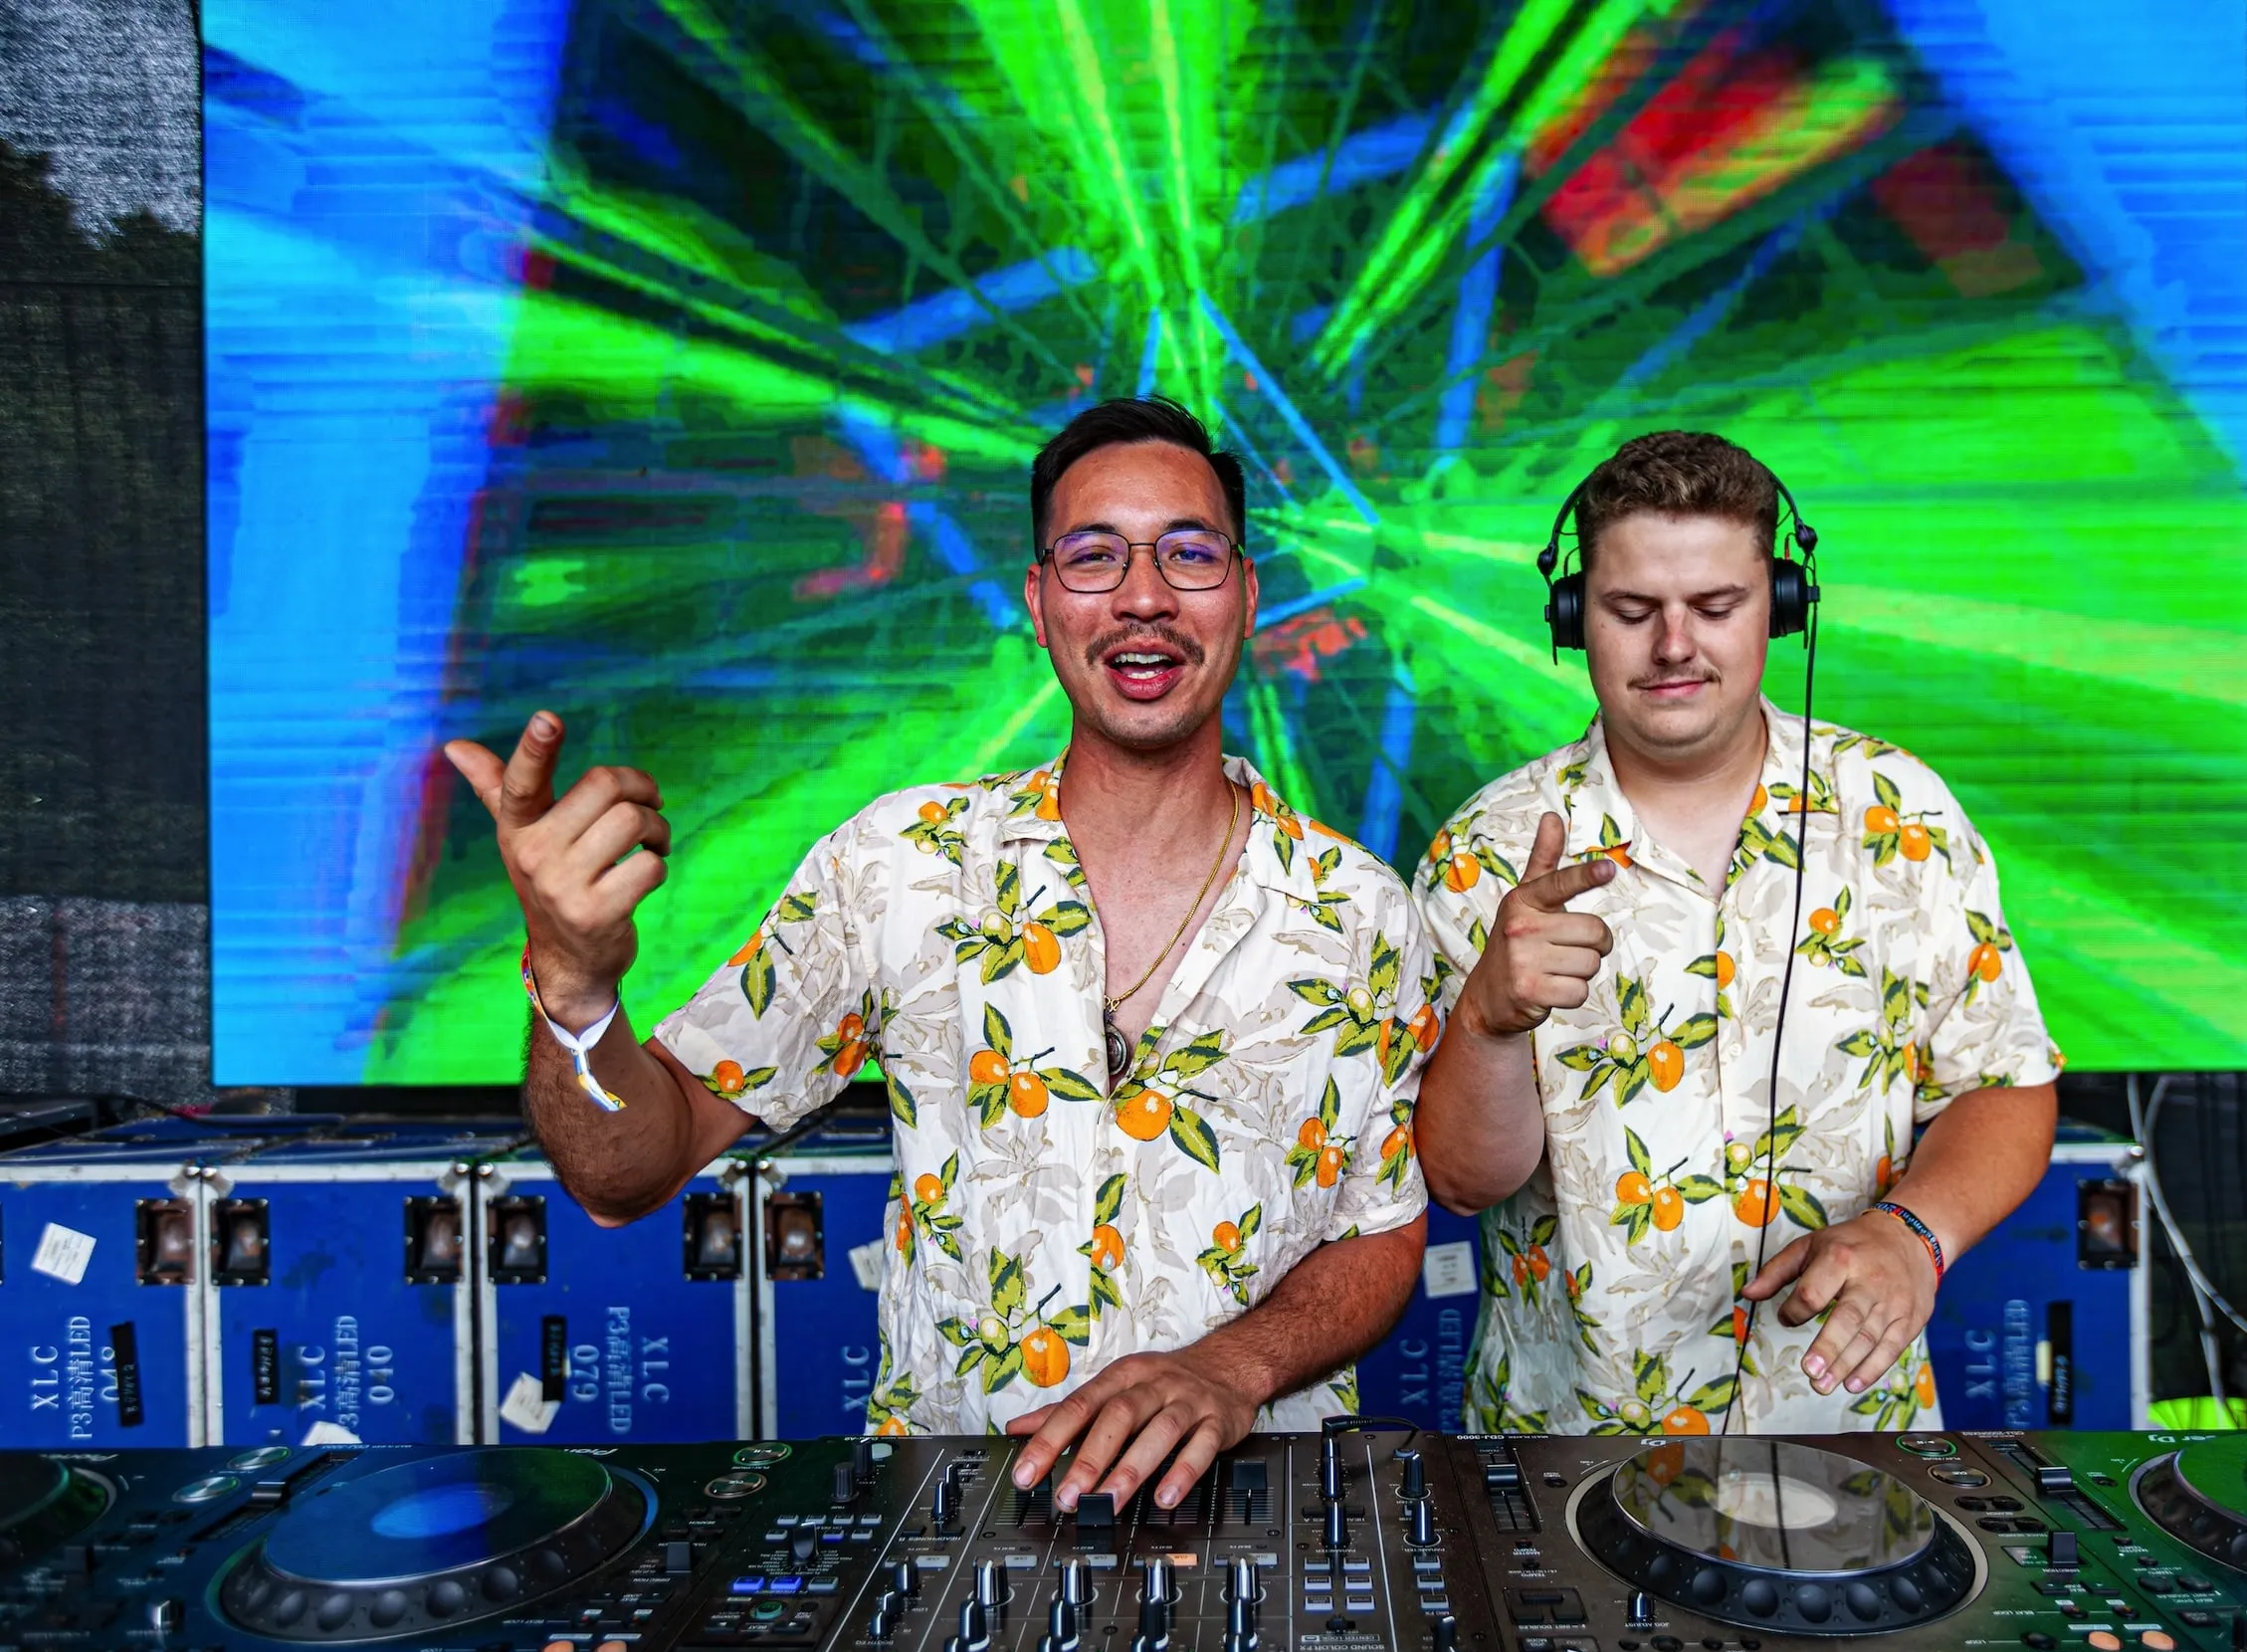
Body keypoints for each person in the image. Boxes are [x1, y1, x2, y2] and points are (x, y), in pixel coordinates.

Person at [444, 397, 1433, 1507]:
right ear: (1040, 601)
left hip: (1269, 1518)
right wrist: (574, 989)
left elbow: (1383, 1235)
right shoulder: (899, 865)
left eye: (1189, 554)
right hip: (956, 1521)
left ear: (1247, 595)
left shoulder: (1360, 911)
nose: (1144, 596)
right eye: (1094, 556)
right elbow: (622, 1172)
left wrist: (1231, 1367)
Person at [1412, 431, 2059, 1434]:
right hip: (1568, 1449)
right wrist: (1490, 1025)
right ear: (1574, 619)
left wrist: (1915, 1234)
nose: (1675, 646)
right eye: (1633, 611)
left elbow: (2005, 1081)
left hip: (1853, 1442)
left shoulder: (1900, 812)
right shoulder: (1484, 852)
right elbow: (1460, 1182)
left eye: (1715, 607)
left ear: (1782, 607)